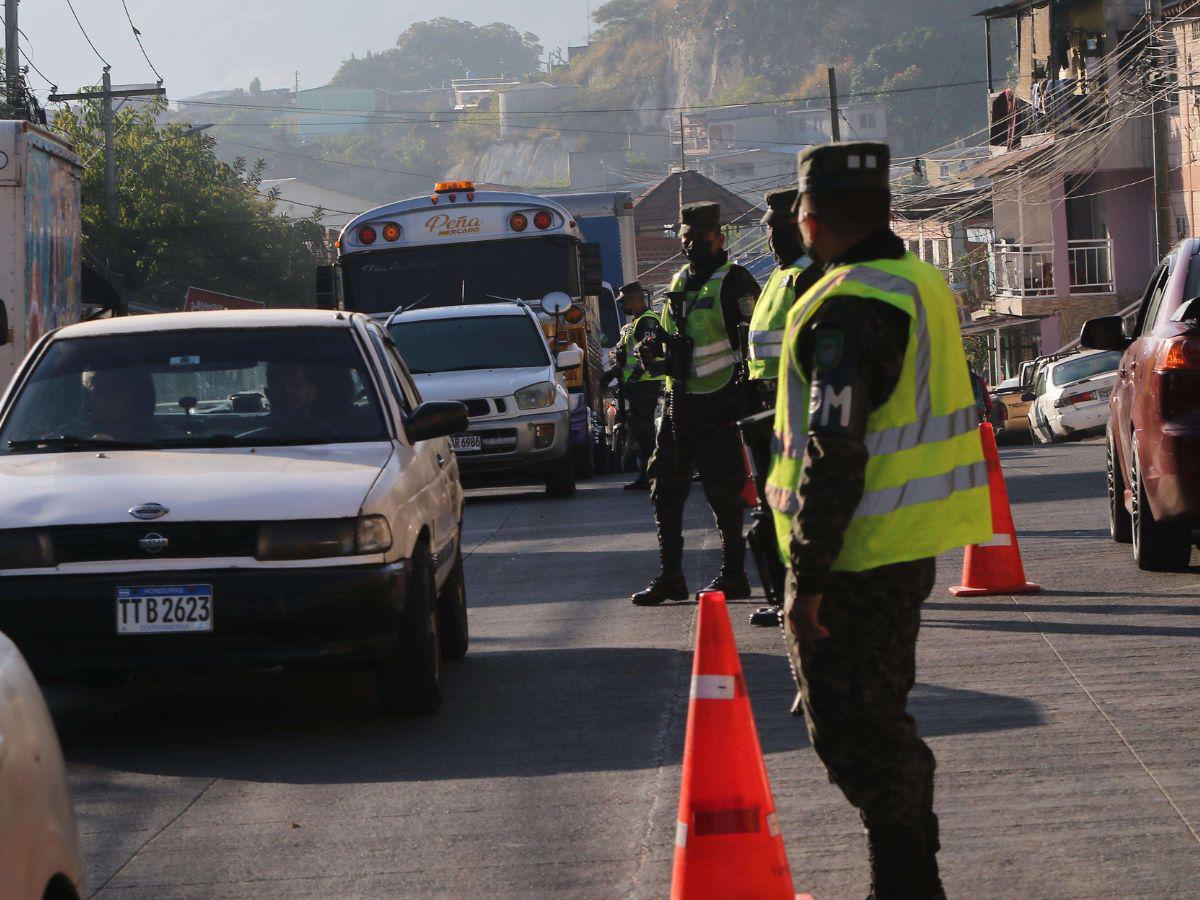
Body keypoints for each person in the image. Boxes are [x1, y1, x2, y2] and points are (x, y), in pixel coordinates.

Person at [765, 143, 992, 898]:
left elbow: (836, 449)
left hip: (853, 556)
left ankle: (905, 883)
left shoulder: (848, 305)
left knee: (856, 736)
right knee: (881, 721)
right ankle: (909, 880)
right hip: (899, 545)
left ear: (809, 218)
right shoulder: (917, 281)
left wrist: (807, 577)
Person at [631, 201, 761, 605]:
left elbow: (751, 340)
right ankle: (670, 576)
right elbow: (667, 332)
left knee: (724, 493)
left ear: (718, 238)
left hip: (720, 401)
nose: (689, 245)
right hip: (678, 403)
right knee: (664, 489)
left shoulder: (735, 282)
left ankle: (734, 574)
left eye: (697, 238)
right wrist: (650, 347)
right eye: (684, 238)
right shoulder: (679, 280)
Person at [744, 187, 822, 628]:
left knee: (798, 504)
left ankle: (802, 593)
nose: (770, 239)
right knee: (777, 503)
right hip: (770, 402)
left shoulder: (811, 275)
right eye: (768, 230)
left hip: (799, 407)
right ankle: (787, 592)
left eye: (776, 230)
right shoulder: (779, 277)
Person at [602, 281, 665, 490]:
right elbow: (627, 356)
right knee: (639, 431)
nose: (622, 306)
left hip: (645, 383)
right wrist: (612, 374)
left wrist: (634, 378)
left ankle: (652, 475)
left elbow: (649, 353)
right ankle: (648, 474)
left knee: (645, 433)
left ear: (636, 299)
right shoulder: (634, 324)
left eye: (625, 302)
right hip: (636, 385)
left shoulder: (647, 321)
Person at [76, 367, 157, 441]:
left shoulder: (156, 435)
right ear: (87, 398)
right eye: (100, 390)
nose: (110, 396)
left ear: (131, 394)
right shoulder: (74, 437)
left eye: (116, 387)